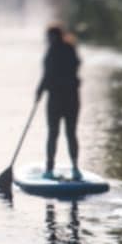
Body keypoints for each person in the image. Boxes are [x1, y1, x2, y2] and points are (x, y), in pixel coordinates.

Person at [36, 24, 81, 180]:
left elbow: (47, 75)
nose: (47, 40)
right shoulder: (71, 49)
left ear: (53, 36)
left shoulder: (52, 52)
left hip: (56, 99)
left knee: (53, 133)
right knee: (71, 133)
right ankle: (75, 168)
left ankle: (49, 169)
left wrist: (39, 92)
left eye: (48, 37)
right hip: (72, 98)